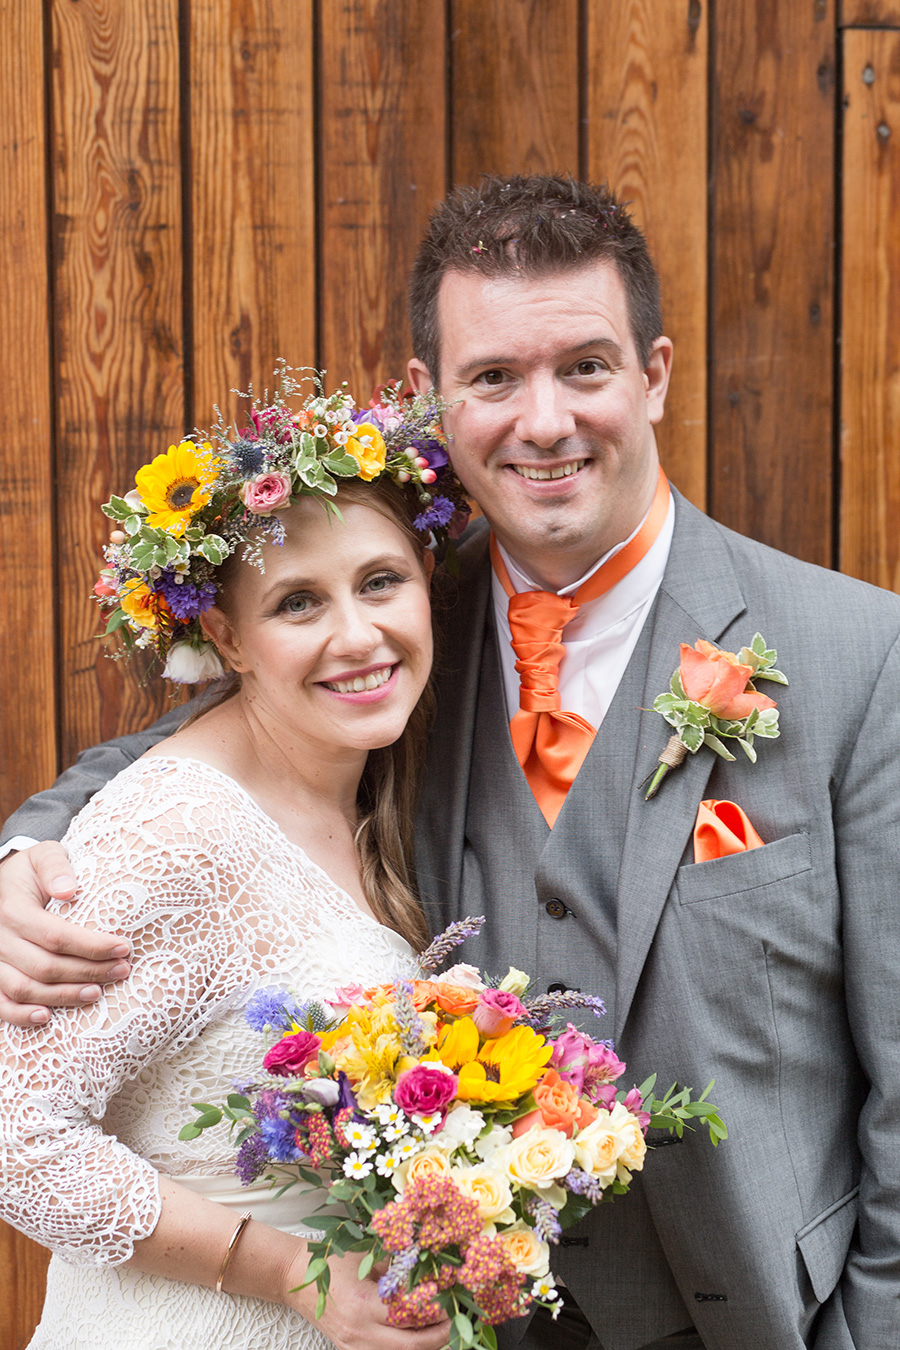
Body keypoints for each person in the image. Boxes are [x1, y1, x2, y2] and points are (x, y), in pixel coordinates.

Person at [1, 174, 899, 1349]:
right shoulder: (395, 633)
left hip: (756, 1317)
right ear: (432, 399)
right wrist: (31, 843)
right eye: (493, 378)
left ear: (655, 375)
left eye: (584, 365)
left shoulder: (856, 654)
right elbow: (202, 758)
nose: (544, 421)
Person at [0, 383, 464, 1350]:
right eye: (299, 603)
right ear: (224, 637)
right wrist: (293, 1272)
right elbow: (12, 1141)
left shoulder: (362, 792)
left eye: (381, 581)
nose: (358, 635)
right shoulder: (180, 830)